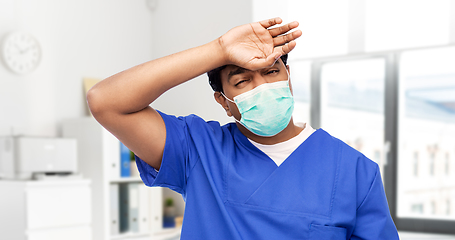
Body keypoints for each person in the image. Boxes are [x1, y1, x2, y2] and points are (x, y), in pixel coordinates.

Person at [87, 17, 399, 239]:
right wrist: (220, 48)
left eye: (271, 71)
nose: (262, 86)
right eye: (242, 80)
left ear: (287, 75)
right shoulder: (198, 149)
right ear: (223, 102)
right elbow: (105, 101)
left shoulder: (355, 171)